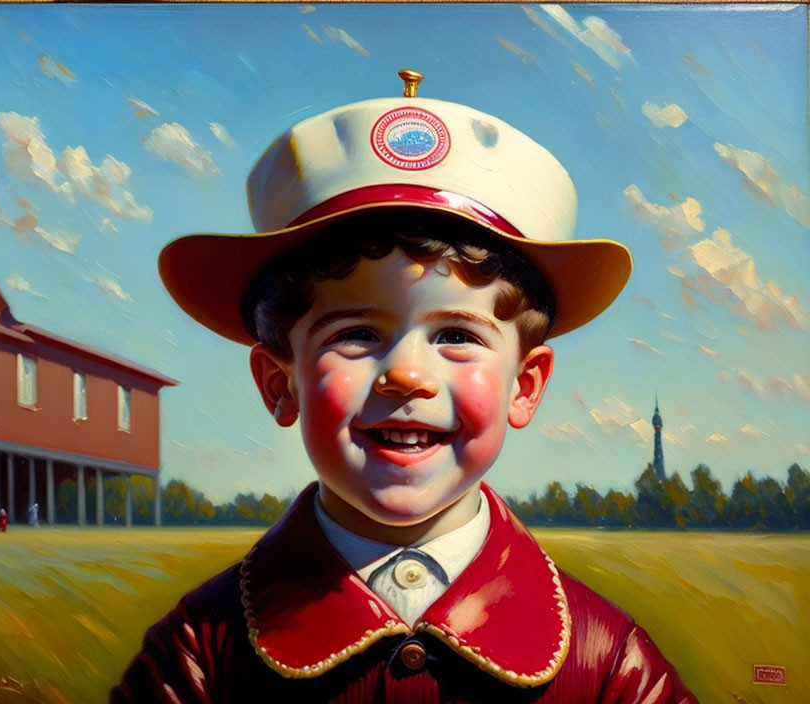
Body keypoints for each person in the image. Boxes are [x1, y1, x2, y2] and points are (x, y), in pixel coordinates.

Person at [112, 70, 696, 702]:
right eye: (357, 332)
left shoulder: (608, 663)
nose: (408, 375)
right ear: (280, 384)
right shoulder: (198, 654)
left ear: (524, 386)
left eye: (456, 336)